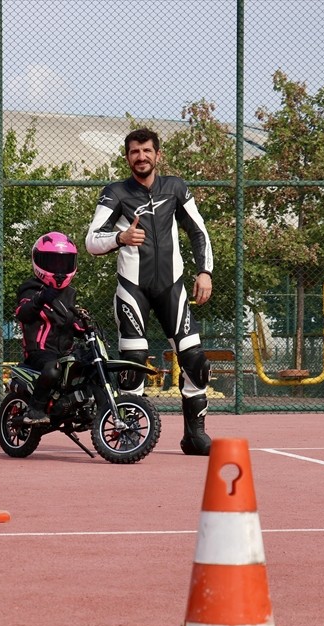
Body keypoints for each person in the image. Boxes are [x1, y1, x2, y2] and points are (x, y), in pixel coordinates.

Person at [84, 127, 216, 456]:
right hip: (133, 289)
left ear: (158, 155)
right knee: (134, 360)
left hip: (173, 287)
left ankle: (195, 435)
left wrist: (204, 272)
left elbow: (198, 232)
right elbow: (90, 241)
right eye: (134, 152)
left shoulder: (176, 187)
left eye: (146, 151)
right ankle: (130, 433)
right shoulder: (115, 192)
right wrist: (120, 239)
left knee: (195, 360)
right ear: (127, 157)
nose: (140, 157)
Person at [13, 231, 83, 425]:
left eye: (63, 263)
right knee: (53, 368)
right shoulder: (32, 287)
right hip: (39, 353)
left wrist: (85, 326)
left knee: (90, 363)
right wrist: (40, 299)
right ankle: (35, 409)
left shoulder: (69, 293)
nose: (59, 268)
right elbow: (23, 312)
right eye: (53, 262)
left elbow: (70, 319)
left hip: (64, 352)